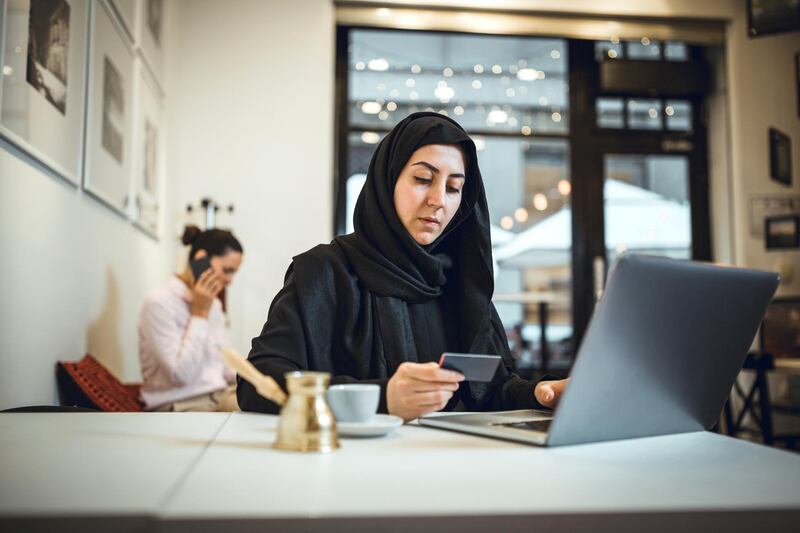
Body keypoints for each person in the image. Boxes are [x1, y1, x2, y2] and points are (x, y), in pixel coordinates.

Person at [238, 112, 568, 421]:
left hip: (455, 470)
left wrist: (542, 392)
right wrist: (381, 399)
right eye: (424, 179)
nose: (438, 199)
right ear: (389, 179)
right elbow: (257, 383)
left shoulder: (460, 283)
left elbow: (491, 391)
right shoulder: (326, 271)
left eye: (453, 187)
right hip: (347, 471)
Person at [138, 225, 244, 411]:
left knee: (267, 407)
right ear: (201, 259)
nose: (230, 280)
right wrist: (199, 315)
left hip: (218, 394)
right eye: (227, 270)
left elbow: (222, 364)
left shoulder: (214, 305)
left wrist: (255, 378)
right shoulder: (158, 304)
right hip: (181, 401)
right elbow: (181, 375)